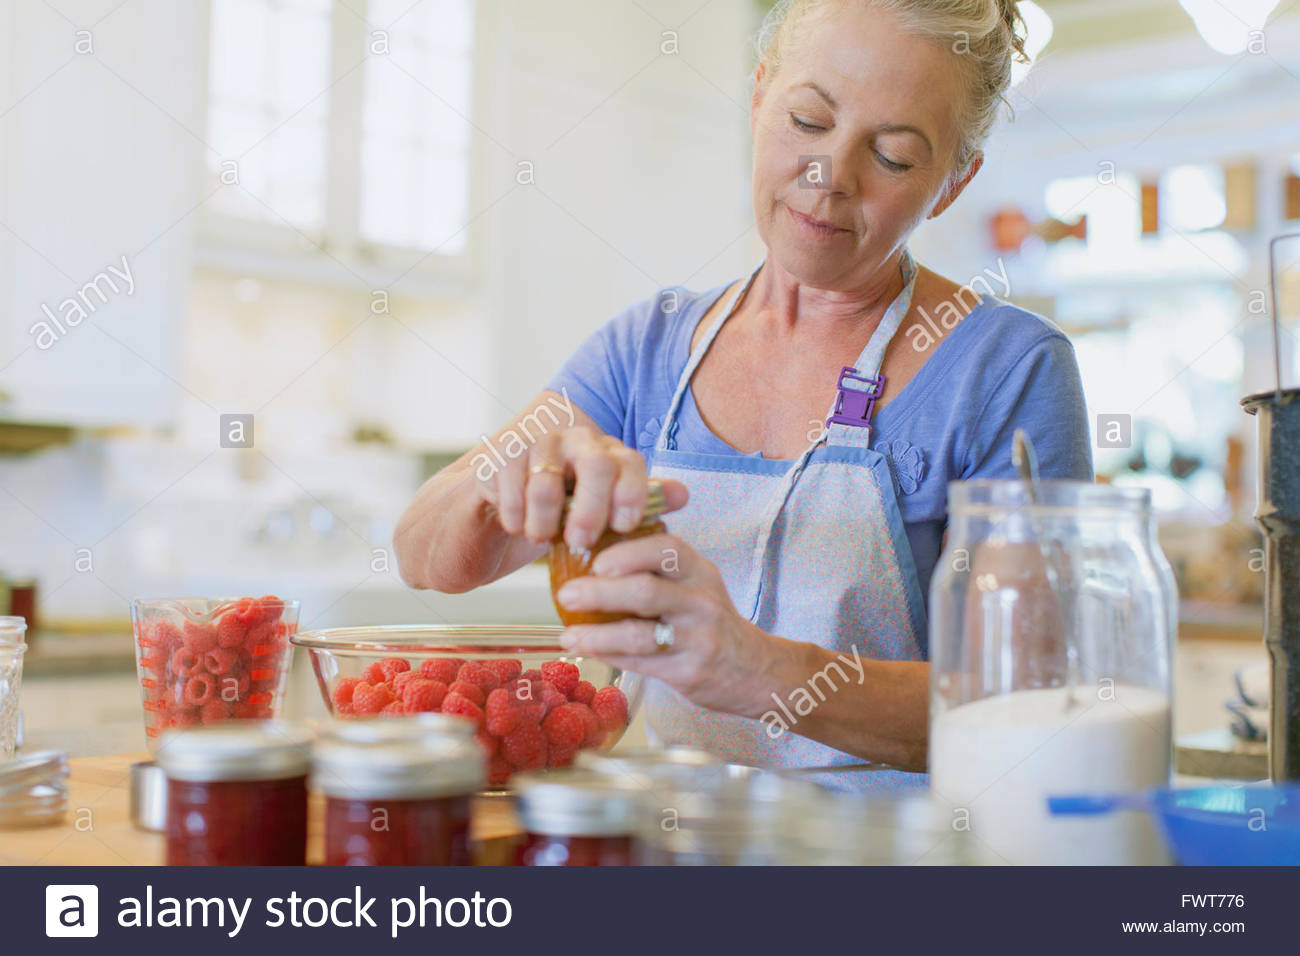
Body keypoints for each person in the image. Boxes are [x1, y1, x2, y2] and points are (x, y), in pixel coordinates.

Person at [395, 0, 1092, 792]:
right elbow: (425, 555)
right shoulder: (647, 350)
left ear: (952, 182)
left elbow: (1033, 712)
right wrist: (511, 478)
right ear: (759, 94)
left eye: (894, 156)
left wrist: (756, 670)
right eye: (806, 119)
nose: (830, 177)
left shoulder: (1006, 372)